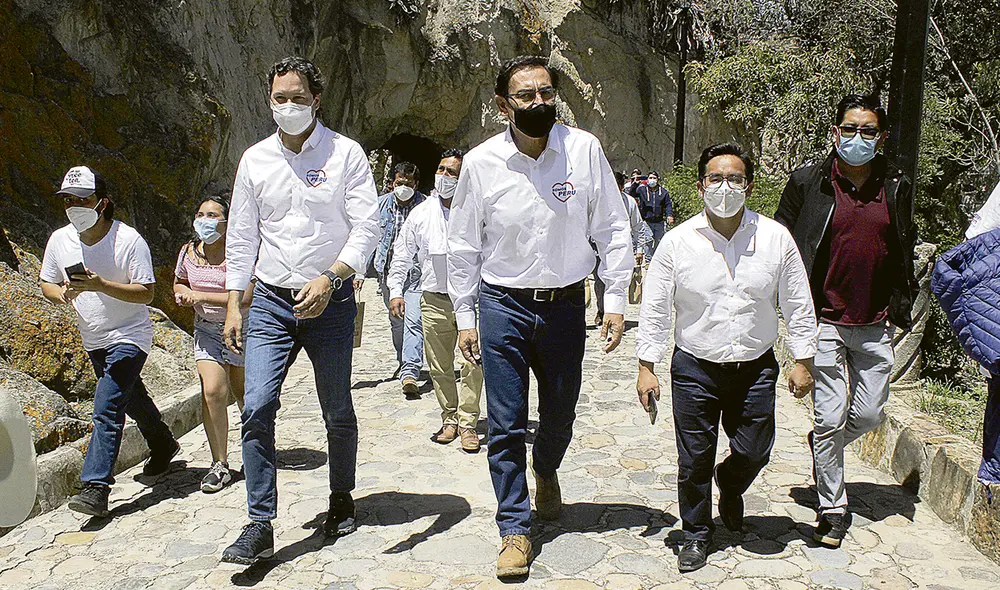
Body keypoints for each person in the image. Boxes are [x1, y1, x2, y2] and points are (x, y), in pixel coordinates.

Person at [448, 55, 633, 579]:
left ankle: (546, 467)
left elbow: (613, 229)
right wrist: (465, 315)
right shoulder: (482, 163)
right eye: (525, 96)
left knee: (560, 414)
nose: (538, 103)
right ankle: (513, 526)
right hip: (502, 304)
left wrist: (614, 300)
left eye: (546, 93)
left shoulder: (584, 151)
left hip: (565, 307)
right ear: (504, 104)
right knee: (505, 423)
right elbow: (462, 245)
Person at [220, 56, 380, 565]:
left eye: (297, 97)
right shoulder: (255, 160)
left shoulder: (346, 154)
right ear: (269, 100)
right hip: (269, 301)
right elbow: (243, 235)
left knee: (336, 406)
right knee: (256, 406)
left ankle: (341, 496)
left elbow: (367, 227)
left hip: (329, 302)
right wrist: (233, 302)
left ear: (317, 99)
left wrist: (332, 277)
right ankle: (259, 522)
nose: (288, 106)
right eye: (279, 98)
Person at [636, 144, 818, 573]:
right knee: (693, 458)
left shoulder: (775, 238)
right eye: (715, 179)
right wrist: (647, 366)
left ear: (749, 186)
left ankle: (731, 482)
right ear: (700, 186)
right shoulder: (678, 243)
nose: (725, 187)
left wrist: (803, 358)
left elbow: (797, 300)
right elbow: (657, 307)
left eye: (734, 179)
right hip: (695, 367)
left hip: (755, 366)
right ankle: (696, 533)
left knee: (756, 450)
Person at [775, 93, 916, 549]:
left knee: (871, 411)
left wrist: (902, 299)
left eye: (868, 131)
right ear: (836, 132)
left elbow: (903, 245)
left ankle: (823, 444)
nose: (857, 138)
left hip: (874, 322)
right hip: (825, 320)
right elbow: (783, 242)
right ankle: (832, 507)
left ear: (881, 137)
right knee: (832, 414)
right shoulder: (808, 182)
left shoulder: (895, 186)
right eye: (850, 129)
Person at [40, 166, 178, 518]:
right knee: (131, 398)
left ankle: (95, 487)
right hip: (93, 336)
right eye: (68, 200)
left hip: (130, 335)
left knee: (107, 406)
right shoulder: (60, 240)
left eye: (81, 199)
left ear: (102, 203)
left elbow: (146, 293)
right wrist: (63, 295)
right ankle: (162, 443)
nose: (73, 206)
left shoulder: (128, 240)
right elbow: (47, 283)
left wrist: (101, 285)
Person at [387, 149, 484, 452]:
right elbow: (402, 253)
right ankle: (449, 418)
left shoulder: (477, 210)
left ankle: (469, 423)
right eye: (441, 170)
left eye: (452, 172)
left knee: (473, 364)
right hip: (434, 300)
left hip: (473, 300)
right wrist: (396, 290)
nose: (444, 177)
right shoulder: (421, 213)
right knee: (440, 366)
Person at [173, 196, 252, 493]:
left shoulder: (240, 253)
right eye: (200, 213)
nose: (205, 220)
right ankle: (219, 463)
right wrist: (183, 293)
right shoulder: (188, 252)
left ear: (227, 222)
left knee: (245, 393)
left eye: (213, 215)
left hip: (243, 328)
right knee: (213, 391)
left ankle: (256, 448)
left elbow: (246, 297)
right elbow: (179, 282)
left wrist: (202, 297)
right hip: (206, 329)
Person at [373, 161, 426, 398]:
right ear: (392, 183)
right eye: (399, 183)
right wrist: (358, 273)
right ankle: (403, 359)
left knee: (413, 319)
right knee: (397, 322)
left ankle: (410, 370)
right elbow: (368, 236)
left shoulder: (425, 206)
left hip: (416, 274)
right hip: (387, 273)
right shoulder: (380, 205)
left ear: (416, 184)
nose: (403, 187)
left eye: (408, 183)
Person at [593, 171, 653, 326]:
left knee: (619, 280)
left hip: (622, 248)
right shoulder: (597, 200)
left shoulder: (630, 202)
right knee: (600, 282)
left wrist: (640, 250)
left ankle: (616, 311)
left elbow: (638, 227)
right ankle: (602, 310)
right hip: (599, 248)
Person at [634, 169, 674, 250]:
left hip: (659, 222)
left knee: (659, 242)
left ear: (658, 179)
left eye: (654, 178)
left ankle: (656, 259)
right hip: (647, 221)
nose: (652, 180)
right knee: (648, 241)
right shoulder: (642, 190)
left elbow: (668, 204)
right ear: (647, 179)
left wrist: (669, 215)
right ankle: (648, 261)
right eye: (650, 178)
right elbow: (632, 194)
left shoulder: (663, 192)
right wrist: (635, 184)